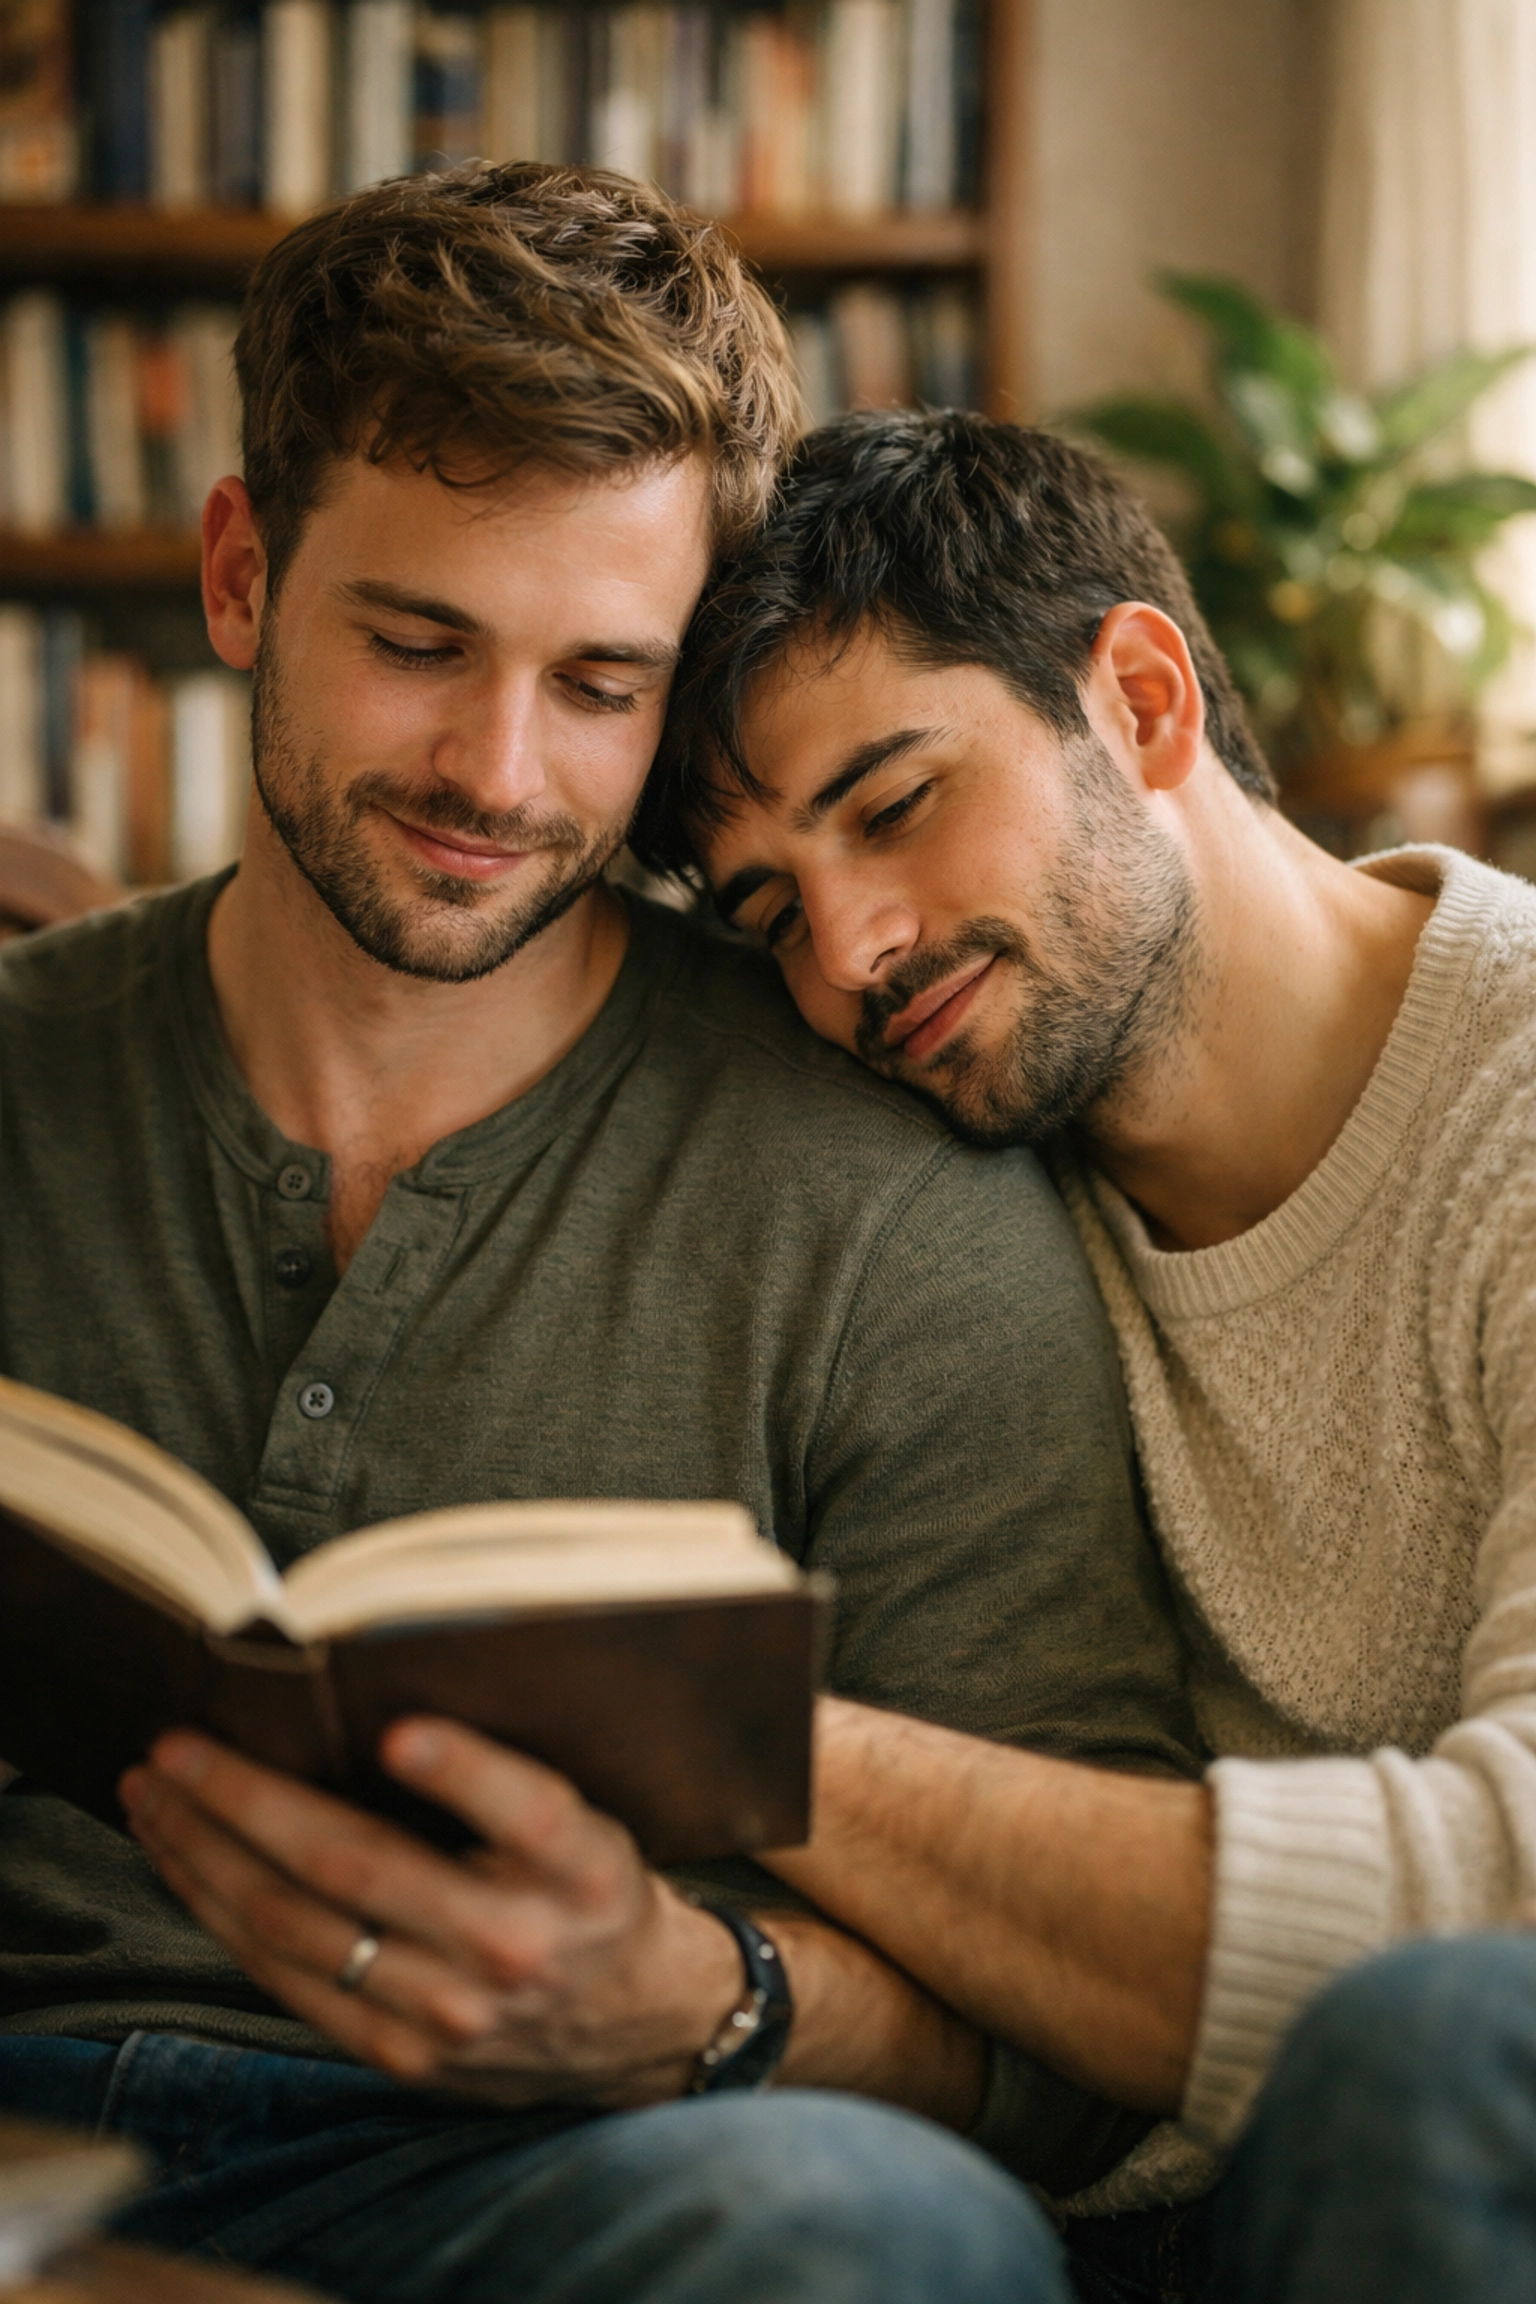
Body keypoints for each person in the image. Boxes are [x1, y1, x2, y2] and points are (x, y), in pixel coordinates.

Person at [0, 177, 1202, 2304]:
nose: (497, 768)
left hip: (547, 2184)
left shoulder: (880, 1180)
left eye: (602, 683)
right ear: (237, 572)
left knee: (873, 2240)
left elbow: (1071, 2050)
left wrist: (699, 1999)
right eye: (415, 643)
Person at [633, 406, 1536, 2304]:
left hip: (1417, 2165)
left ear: (1139, 698)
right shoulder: (929, 1189)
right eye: (771, 910)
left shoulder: (1511, 1116)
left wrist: (733, 1744)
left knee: (1436, 2052)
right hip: (1052, 2210)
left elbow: (1510, 1908)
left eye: (894, 805)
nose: (853, 958)